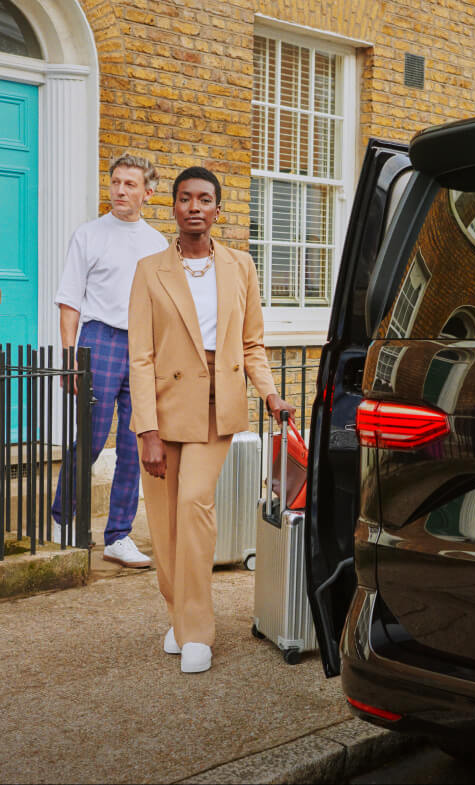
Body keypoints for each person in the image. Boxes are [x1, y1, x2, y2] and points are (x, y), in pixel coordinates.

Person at [128, 166, 294, 674]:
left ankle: (198, 630)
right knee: (164, 522)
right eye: (185, 198)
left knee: (194, 508)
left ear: (218, 210)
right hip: (163, 411)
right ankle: (180, 614)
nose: (194, 207)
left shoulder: (240, 266)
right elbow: (141, 356)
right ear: (173, 207)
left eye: (204, 199)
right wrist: (147, 430)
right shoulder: (149, 270)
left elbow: (251, 344)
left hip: (215, 410)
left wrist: (269, 394)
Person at [52, 153, 168, 567]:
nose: (119, 190)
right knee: (91, 438)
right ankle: (63, 521)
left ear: (148, 193)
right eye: (116, 182)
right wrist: (70, 358)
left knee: (135, 444)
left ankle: (118, 535)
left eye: (130, 184)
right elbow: (70, 301)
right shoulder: (89, 235)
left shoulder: (157, 244)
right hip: (99, 340)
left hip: (142, 347)